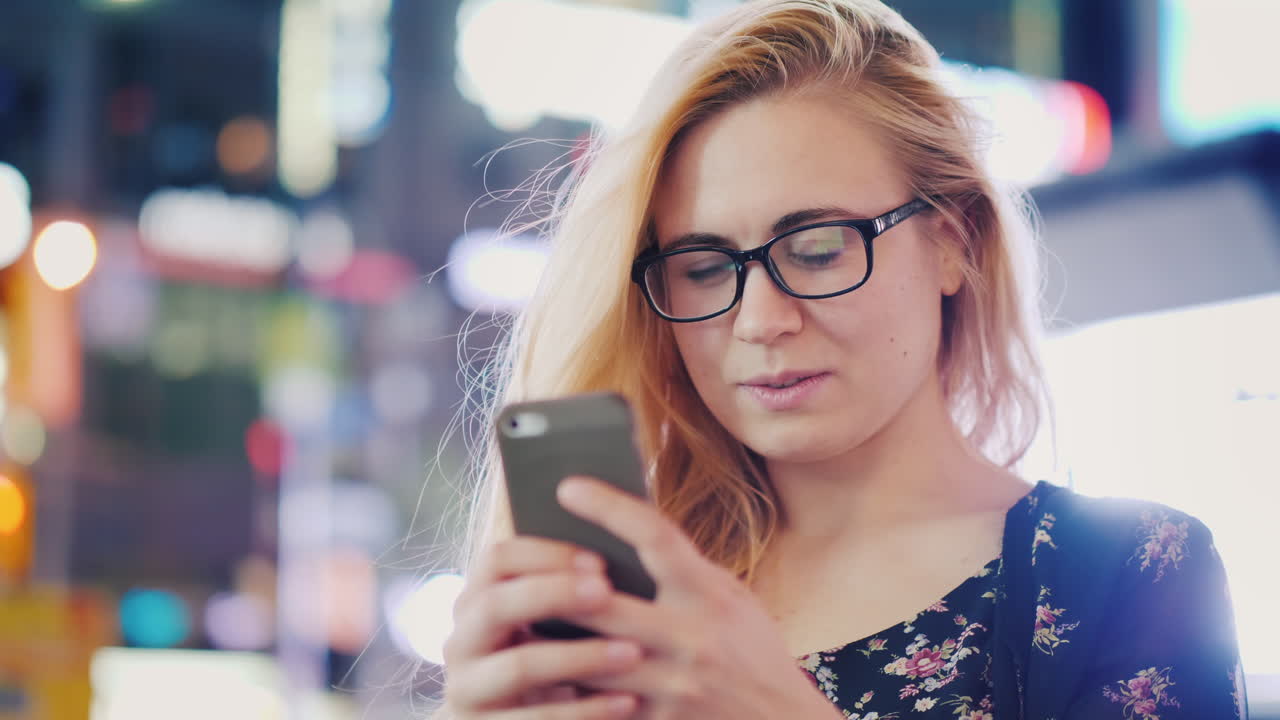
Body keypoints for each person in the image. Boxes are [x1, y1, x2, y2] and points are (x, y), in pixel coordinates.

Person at [438, 1, 1249, 718]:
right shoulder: (633, 604)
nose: (761, 320)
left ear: (954, 243)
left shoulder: (1126, 574)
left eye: (820, 249)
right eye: (705, 268)